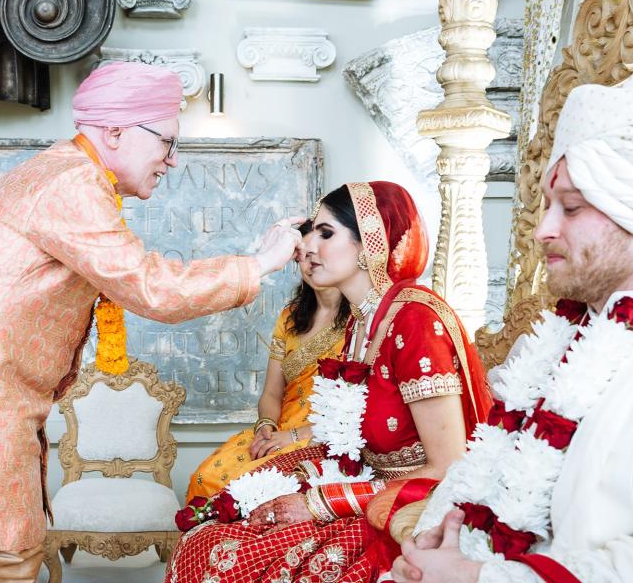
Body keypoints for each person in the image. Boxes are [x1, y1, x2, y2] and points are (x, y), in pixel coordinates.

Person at [0, 61, 303, 582]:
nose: (171, 162)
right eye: (167, 144)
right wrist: (260, 263)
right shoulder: (72, 186)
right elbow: (152, 288)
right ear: (115, 132)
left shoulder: (64, 173)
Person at [391, 54, 633, 583]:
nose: (542, 229)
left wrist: (475, 578)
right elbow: (478, 473)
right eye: (547, 205)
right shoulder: (560, 337)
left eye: (572, 206)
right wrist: (430, 540)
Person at [167, 181, 491, 583]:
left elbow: (447, 466)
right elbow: (346, 441)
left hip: (405, 509)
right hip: (361, 485)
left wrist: (320, 503)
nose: (306, 247)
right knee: (210, 533)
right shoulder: (360, 322)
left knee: (226, 555)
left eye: (326, 233)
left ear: (370, 241)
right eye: (308, 234)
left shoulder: (416, 319)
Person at [186, 236, 350, 500]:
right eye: (303, 256)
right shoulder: (291, 318)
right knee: (206, 478)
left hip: (321, 438)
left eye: (318, 252)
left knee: (249, 491)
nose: (311, 261)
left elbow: (362, 408)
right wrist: (266, 427)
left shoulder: (361, 320)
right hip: (278, 430)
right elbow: (272, 393)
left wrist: (295, 436)